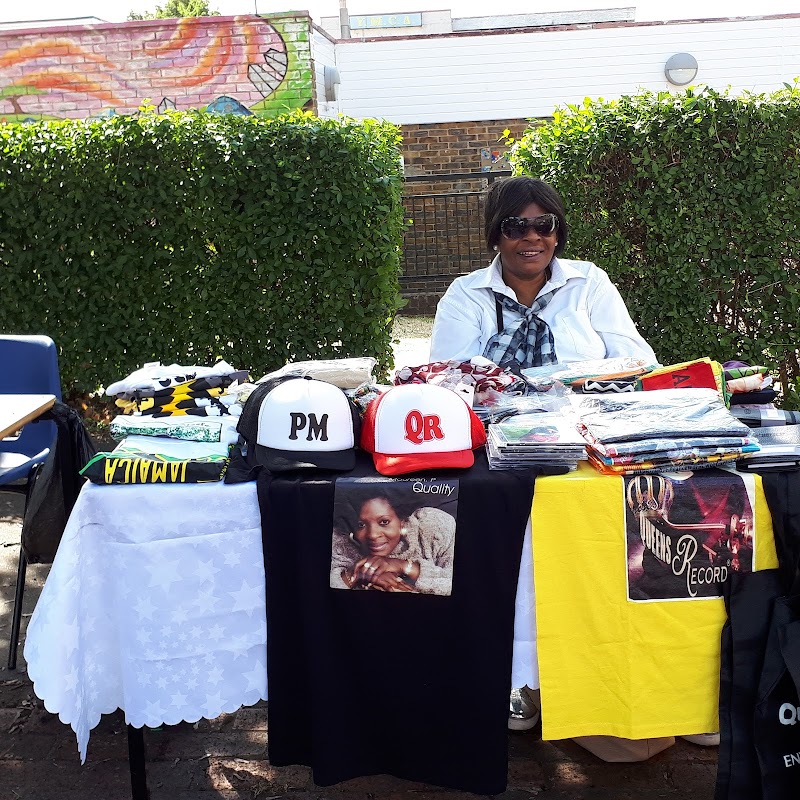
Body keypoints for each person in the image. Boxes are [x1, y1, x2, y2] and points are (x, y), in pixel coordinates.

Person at [429, 176, 657, 369]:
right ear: (495, 236)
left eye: (544, 225)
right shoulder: (466, 297)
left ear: (557, 235)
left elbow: (636, 362)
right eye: (515, 227)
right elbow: (450, 379)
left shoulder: (588, 283)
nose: (532, 237)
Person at [330, 486, 456, 596]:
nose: (373, 535)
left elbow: (461, 587)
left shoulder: (433, 526)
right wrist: (360, 574)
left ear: (402, 520)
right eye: (360, 525)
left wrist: (403, 566)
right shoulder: (341, 541)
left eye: (384, 522)